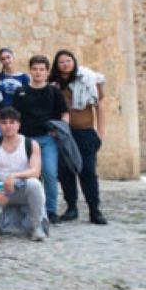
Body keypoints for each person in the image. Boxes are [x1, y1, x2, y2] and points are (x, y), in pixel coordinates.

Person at [0, 107, 47, 241]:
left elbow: (35, 171)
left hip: (22, 187)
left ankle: (36, 227)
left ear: (19, 125)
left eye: (12, 122)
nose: (8, 126)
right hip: (1, 187)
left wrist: (14, 176)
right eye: (4, 123)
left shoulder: (31, 144)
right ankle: (3, 216)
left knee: (34, 184)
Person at [51, 50, 108, 225]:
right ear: (57, 65)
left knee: (88, 171)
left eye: (68, 60)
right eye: (61, 62)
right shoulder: (53, 85)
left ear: (74, 62)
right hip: (64, 134)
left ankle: (94, 210)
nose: (65, 64)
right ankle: (71, 208)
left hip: (85, 133)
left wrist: (100, 134)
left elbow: (99, 106)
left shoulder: (88, 80)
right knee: (65, 171)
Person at [12, 55, 69, 225]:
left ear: (47, 72)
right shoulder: (20, 91)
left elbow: (64, 114)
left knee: (50, 174)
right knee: (31, 178)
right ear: (30, 70)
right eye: (35, 69)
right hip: (27, 141)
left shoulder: (54, 91)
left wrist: (61, 130)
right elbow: (14, 116)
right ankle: (33, 209)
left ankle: (51, 211)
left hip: (48, 140)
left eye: (42, 69)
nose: (38, 72)